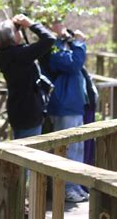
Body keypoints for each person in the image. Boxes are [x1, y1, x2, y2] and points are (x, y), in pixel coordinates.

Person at [44, 20, 89, 203]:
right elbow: (74, 63)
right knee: (67, 148)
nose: (61, 29)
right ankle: (66, 188)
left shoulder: (66, 46)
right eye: (56, 25)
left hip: (74, 105)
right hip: (63, 106)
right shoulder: (53, 49)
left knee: (77, 148)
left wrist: (73, 42)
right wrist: (78, 43)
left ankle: (75, 184)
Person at [0, 14, 55, 139]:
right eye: (17, 30)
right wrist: (31, 24)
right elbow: (49, 39)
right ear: (12, 36)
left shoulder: (4, 55)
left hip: (16, 110)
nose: (20, 31)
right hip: (30, 111)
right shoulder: (21, 55)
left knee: (19, 150)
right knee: (30, 153)